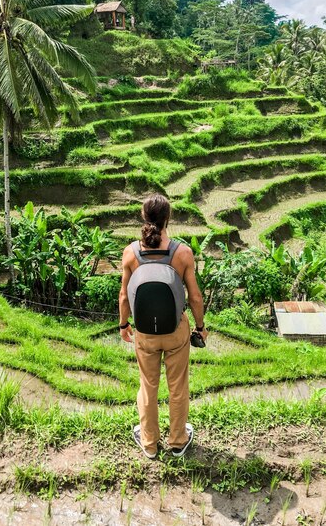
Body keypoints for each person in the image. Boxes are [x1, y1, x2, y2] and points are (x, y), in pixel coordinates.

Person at [118, 193, 207, 459]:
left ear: (144, 218)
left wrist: (124, 325)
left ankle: (149, 443)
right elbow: (194, 297)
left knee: (148, 386)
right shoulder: (182, 252)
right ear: (168, 218)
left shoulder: (131, 252)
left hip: (145, 332)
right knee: (177, 386)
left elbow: (124, 296)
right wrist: (200, 327)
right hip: (176, 330)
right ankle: (178, 441)